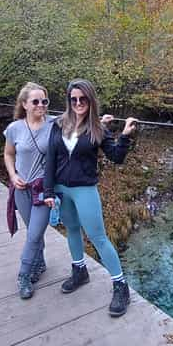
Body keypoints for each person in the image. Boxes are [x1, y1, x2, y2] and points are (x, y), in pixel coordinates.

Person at [44, 79, 137, 317]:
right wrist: (48, 192)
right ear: (68, 101)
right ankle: (79, 271)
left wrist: (125, 136)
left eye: (82, 99)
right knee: (72, 230)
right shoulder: (58, 124)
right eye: (73, 99)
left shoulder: (98, 129)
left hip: (85, 189)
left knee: (98, 237)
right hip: (61, 188)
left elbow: (116, 157)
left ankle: (120, 286)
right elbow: (51, 160)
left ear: (90, 100)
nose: (78, 103)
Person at [4, 82, 55, 300]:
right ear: (24, 104)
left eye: (44, 101)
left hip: (43, 191)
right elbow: (8, 154)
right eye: (35, 101)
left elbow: (79, 125)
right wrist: (13, 176)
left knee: (34, 234)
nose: (40, 105)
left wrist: (99, 121)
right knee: (33, 233)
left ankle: (23, 276)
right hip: (21, 190)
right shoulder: (14, 128)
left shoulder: (55, 124)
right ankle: (40, 262)